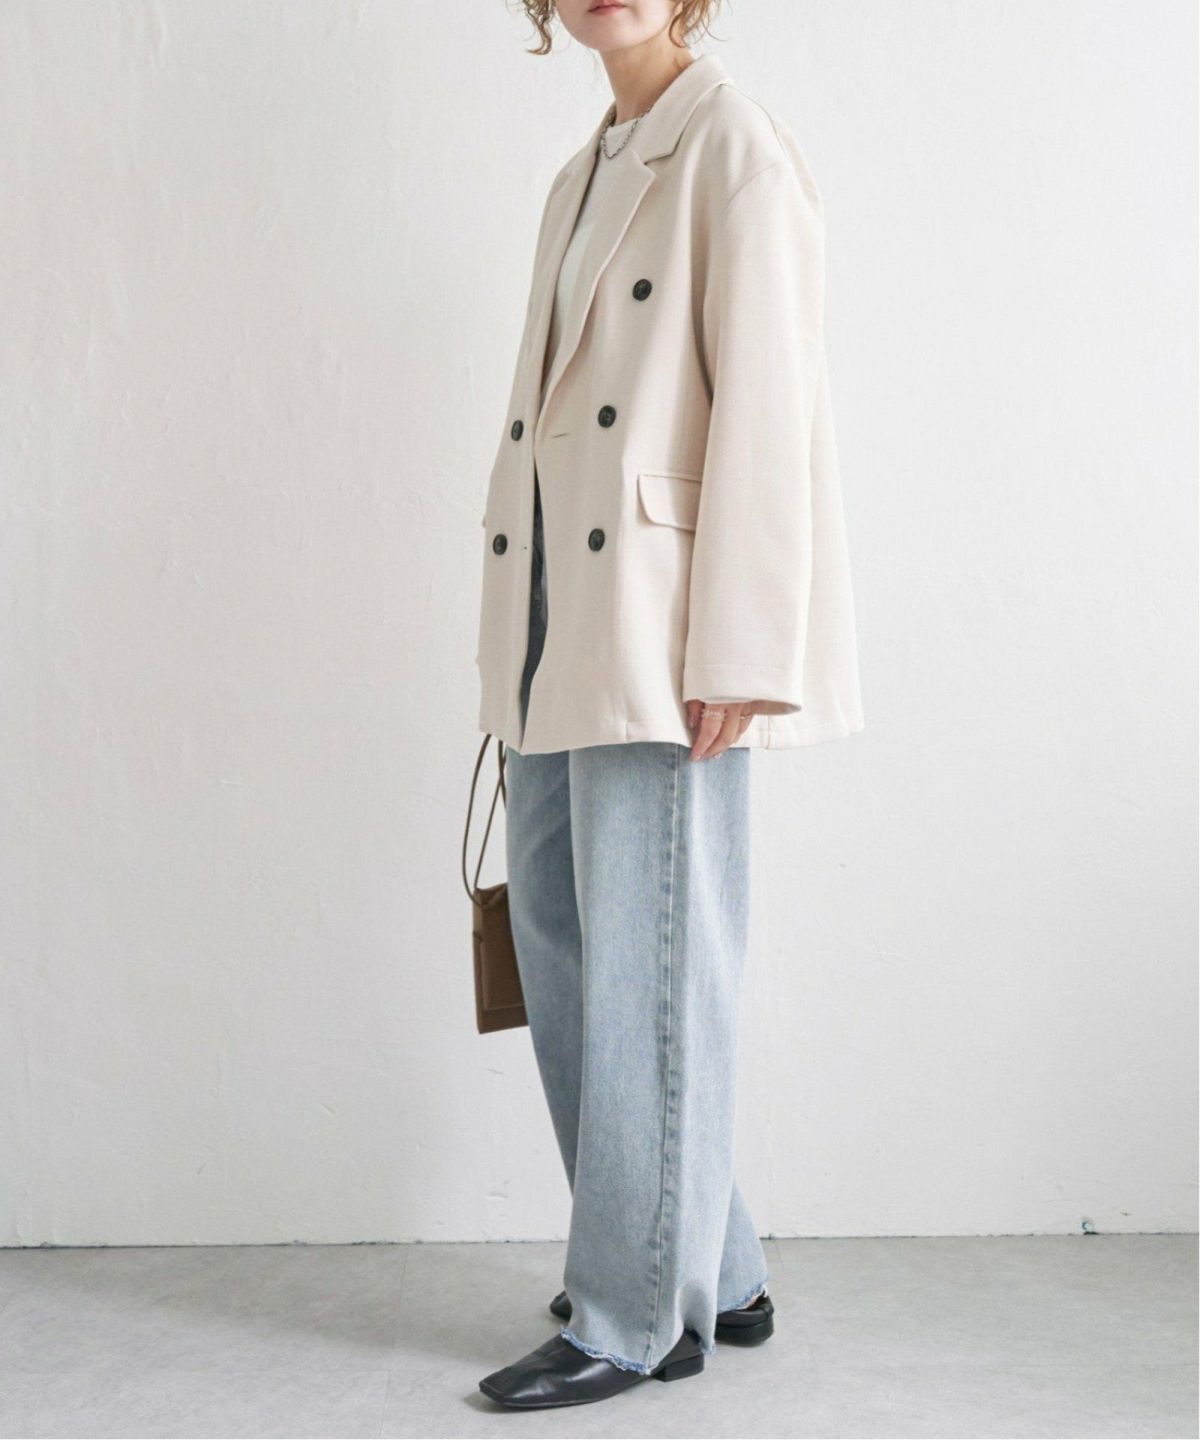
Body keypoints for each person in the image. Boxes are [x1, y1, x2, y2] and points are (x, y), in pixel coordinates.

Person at [473, 0, 864, 1410]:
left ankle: (638, 1314)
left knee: (648, 962)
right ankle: (720, 1264)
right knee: (562, 940)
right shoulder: (582, 168)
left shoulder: (734, 145)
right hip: (554, 608)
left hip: (661, 619)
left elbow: (774, 399)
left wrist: (746, 643)